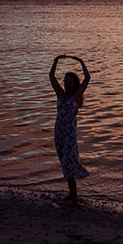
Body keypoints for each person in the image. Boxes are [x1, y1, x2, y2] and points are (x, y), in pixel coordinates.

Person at [49, 54, 91, 206]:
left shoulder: (76, 96)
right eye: (65, 81)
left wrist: (81, 62)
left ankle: (75, 198)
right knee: (64, 162)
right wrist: (56, 61)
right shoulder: (60, 94)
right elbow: (51, 76)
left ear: (74, 84)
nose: (67, 84)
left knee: (69, 163)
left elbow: (87, 78)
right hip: (59, 132)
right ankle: (72, 194)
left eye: (70, 82)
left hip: (70, 134)